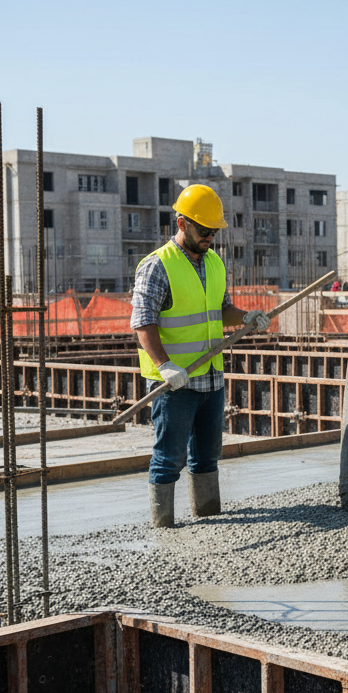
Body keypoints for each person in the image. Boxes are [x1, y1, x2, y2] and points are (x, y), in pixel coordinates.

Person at [131, 184, 271, 528]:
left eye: (214, 231)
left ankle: (208, 519)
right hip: (174, 383)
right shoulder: (157, 266)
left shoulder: (215, 263)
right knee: (169, 458)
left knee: (207, 456)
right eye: (204, 230)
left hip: (210, 377)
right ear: (182, 223)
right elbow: (142, 322)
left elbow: (221, 310)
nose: (210, 237)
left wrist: (246, 317)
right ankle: (163, 526)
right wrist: (165, 366)